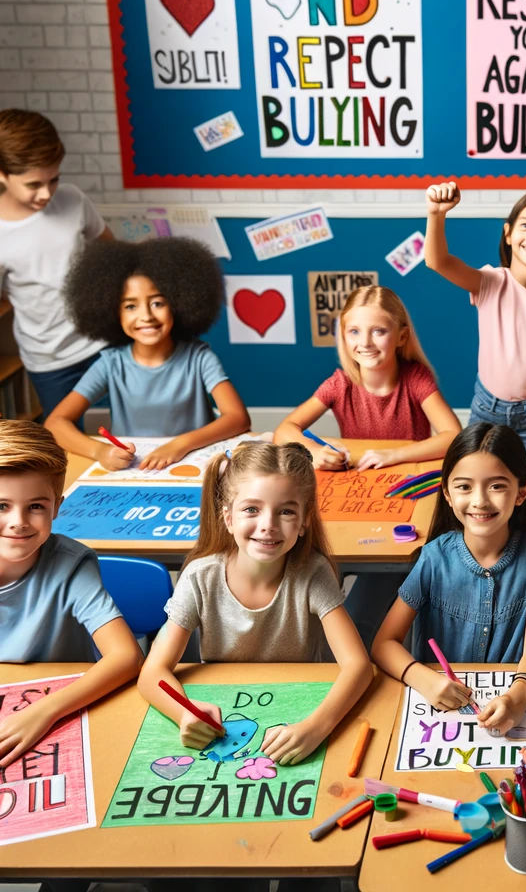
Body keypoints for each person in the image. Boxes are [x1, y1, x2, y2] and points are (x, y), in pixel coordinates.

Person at [138, 441, 373, 764]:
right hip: (226, 722)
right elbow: (152, 672)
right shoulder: (199, 577)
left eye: (286, 511)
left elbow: (359, 667)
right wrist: (183, 714)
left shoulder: (313, 573)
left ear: (304, 522)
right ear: (228, 518)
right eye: (251, 509)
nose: (268, 525)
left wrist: (318, 727)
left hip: (297, 711)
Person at [372, 423, 526, 735]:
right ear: (447, 494)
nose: (479, 501)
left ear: (522, 492)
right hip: (438, 714)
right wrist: (423, 678)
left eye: (496, 486)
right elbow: (384, 643)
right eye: (464, 487)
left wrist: (519, 695)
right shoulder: (434, 557)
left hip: (509, 701)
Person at [0, 420, 142, 767]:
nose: (19, 521)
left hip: (59, 710)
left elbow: (127, 657)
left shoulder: (71, 564)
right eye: (1, 506)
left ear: (57, 507)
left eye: (36, 506)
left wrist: (44, 712)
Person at [425, 181, 526, 470]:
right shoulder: (490, 283)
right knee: (475, 478)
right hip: (485, 411)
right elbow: (437, 261)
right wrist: (436, 214)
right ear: (509, 234)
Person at [45, 237, 249, 471]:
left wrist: (180, 444)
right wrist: (100, 450)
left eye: (157, 303)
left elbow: (238, 417)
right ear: (113, 312)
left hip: (193, 461)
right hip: (133, 469)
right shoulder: (110, 364)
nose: (146, 316)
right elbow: (55, 423)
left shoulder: (199, 358)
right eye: (131, 306)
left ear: (179, 304)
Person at [275, 285, 460, 472]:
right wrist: (312, 451)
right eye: (354, 331)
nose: (365, 343)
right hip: (361, 482)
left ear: (401, 337)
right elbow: (284, 431)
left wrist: (393, 455)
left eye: (378, 331)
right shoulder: (339, 384)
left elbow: (453, 435)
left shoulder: (416, 379)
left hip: (407, 477)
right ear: (343, 336)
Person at [0, 110, 112, 419]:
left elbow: (110, 251)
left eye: (54, 179)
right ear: (2, 173)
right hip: (49, 359)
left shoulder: (73, 199)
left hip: (104, 342)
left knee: (143, 425)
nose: (46, 193)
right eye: (34, 184)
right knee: (64, 441)